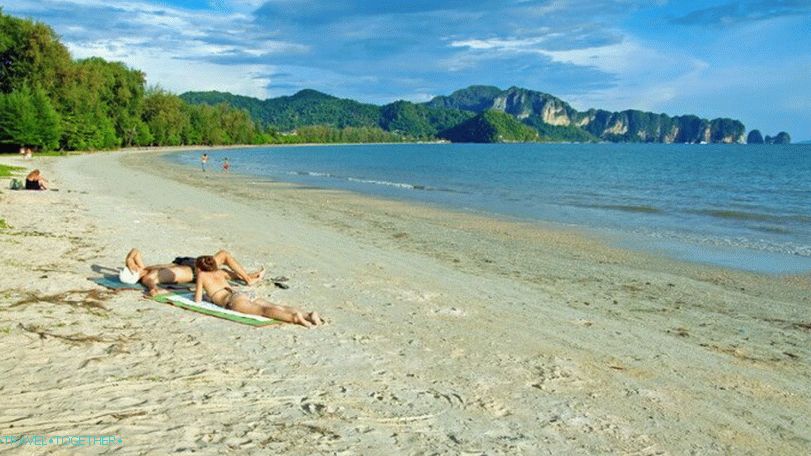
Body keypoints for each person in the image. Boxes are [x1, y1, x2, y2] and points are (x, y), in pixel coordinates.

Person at [194, 255, 321, 327]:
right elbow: (238, 275)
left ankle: (294, 318)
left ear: (199, 268)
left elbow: (198, 300)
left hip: (233, 300)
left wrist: (208, 297)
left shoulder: (201, 276)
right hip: (242, 294)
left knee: (263, 311)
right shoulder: (221, 272)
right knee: (276, 306)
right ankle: (308, 315)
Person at [120, 248, 264, 296]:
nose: (136, 267)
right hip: (195, 272)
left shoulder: (145, 269)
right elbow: (151, 285)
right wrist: (153, 289)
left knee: (224, 271)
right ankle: (248, 278)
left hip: (186, 264)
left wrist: (129, 261)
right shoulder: (148, 277)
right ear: (135, 277)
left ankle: (249, 276)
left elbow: (135, 251)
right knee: (224, 256)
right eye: (134, 269)